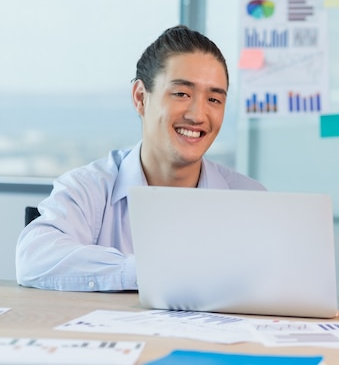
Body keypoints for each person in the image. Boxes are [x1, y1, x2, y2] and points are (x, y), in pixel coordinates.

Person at [16, 25, 265, 291]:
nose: (198, 114)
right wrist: (151, 272)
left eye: (214, 99)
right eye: (182, 94)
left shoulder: (249, 198)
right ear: (140, 97)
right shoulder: (90, 187)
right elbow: (34, 257)